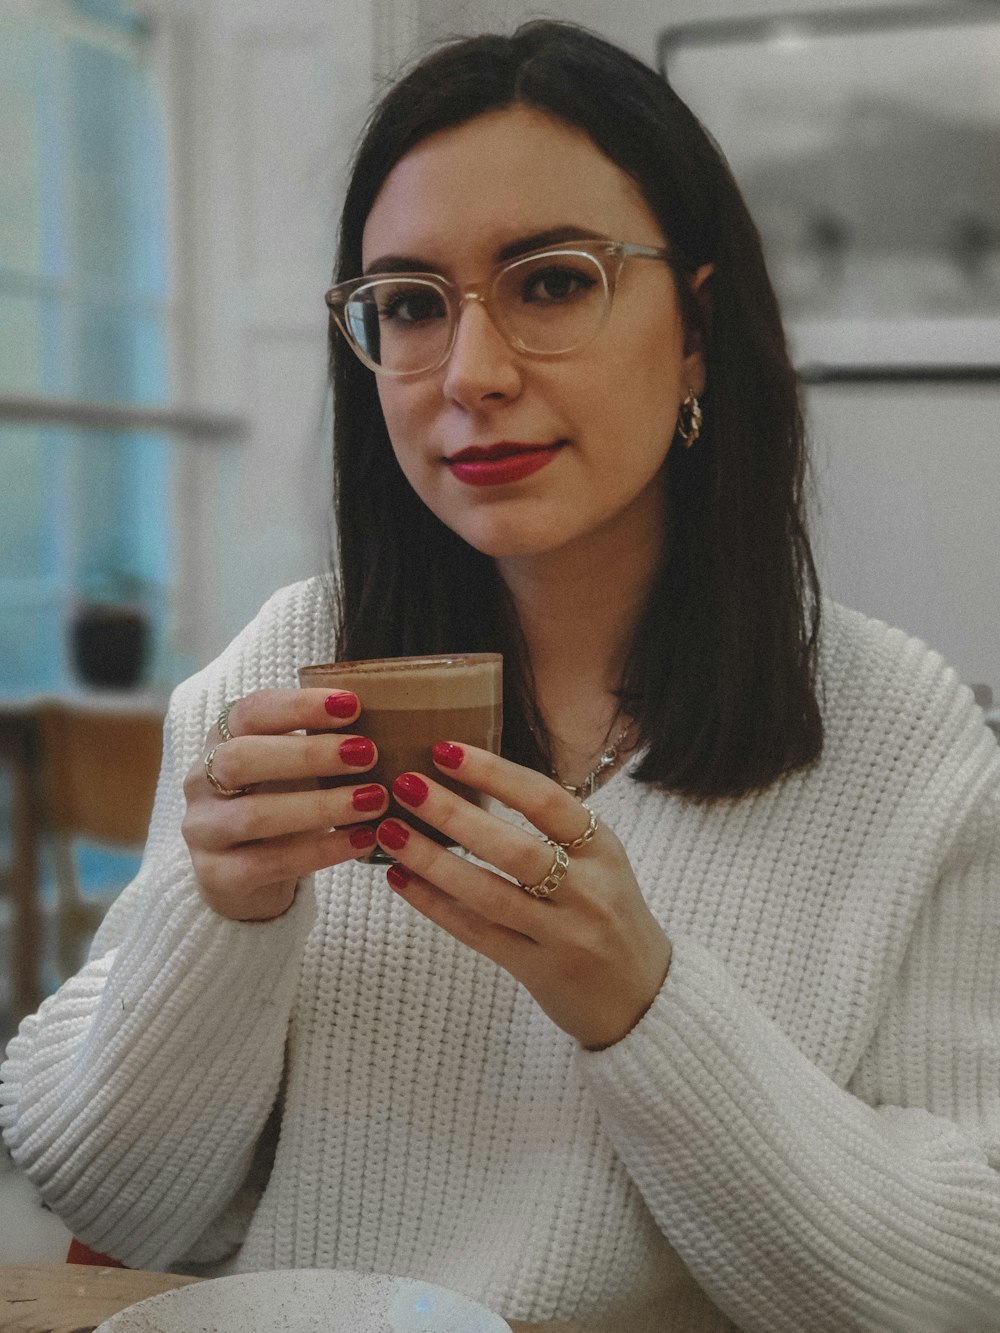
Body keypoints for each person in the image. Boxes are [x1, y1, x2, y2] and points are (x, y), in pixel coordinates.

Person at [2, 21, 999, 1333]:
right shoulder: (288, 668)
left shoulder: (901, 732)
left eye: (550, 283)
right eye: (411, 304)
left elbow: (959, 1284)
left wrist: (641, 1002)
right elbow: (115, 1203)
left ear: (696, 328)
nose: (469, 375)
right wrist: (222, 920)